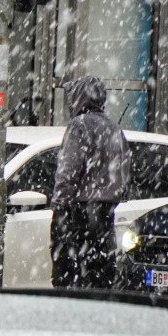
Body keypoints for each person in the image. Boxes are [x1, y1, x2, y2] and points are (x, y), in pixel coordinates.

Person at [50, 75, 130, 289]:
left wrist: (60, 205)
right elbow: (123, 172)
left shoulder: (79, 126)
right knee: (100, 276)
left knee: (67, 276)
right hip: (106, 214)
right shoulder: (114, 128)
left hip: (79, 212)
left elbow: (68, 170)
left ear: (79, 98)